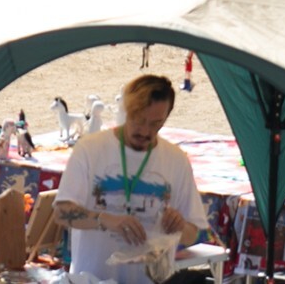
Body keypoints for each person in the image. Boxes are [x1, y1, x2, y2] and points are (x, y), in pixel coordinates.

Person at [54, 73, 202, 284]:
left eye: (156, 124)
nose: (145, 131)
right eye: (139, 120)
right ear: (126, 110)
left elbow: (191, 234)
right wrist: (104, 219)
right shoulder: (90, 149)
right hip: (93, 279)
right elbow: (61, 213)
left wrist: (180, 225)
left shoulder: (176, 160)